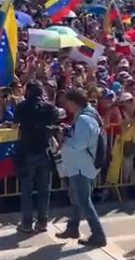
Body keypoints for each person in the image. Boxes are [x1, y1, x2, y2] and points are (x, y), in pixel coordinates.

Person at [55, 88, 107, 247]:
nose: (66, 106)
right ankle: (73, 227)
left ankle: (98, 234)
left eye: (67, 102)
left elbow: (79, 144)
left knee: (83, 200)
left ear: (73, 102)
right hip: (81, 164)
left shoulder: (84, 119)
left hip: (81, 165)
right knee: (76, 196)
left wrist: (63, 137)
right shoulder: (89, 114)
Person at [14, 80, 59, 233]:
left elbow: (16, 120)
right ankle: (43, 221)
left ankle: (26, 222)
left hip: (27, 150)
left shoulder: (22, 106)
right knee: (44, 189)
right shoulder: (48, 107)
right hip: (44, 150)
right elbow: (56, 117)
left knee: (26, 188)